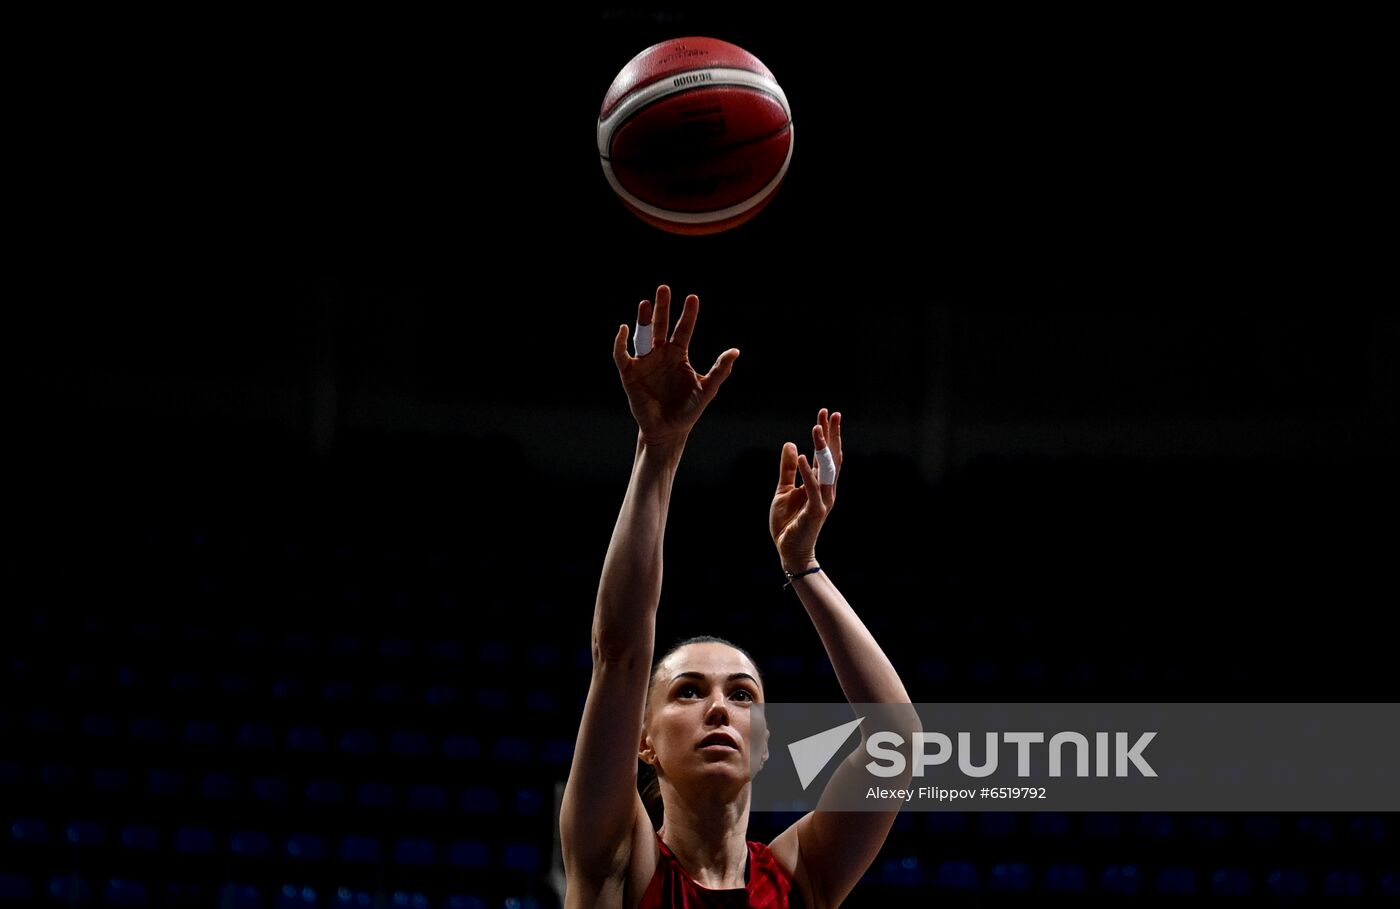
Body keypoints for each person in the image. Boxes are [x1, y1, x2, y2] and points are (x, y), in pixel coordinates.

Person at [561, 286, 913, 908]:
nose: (719, 708)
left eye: (741, 694)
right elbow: (619, 652)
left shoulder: (802, 877)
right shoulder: (619, 861)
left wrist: (802, 565)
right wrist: (658, 451)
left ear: (767, 742)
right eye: (688, 691)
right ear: (643, 742)